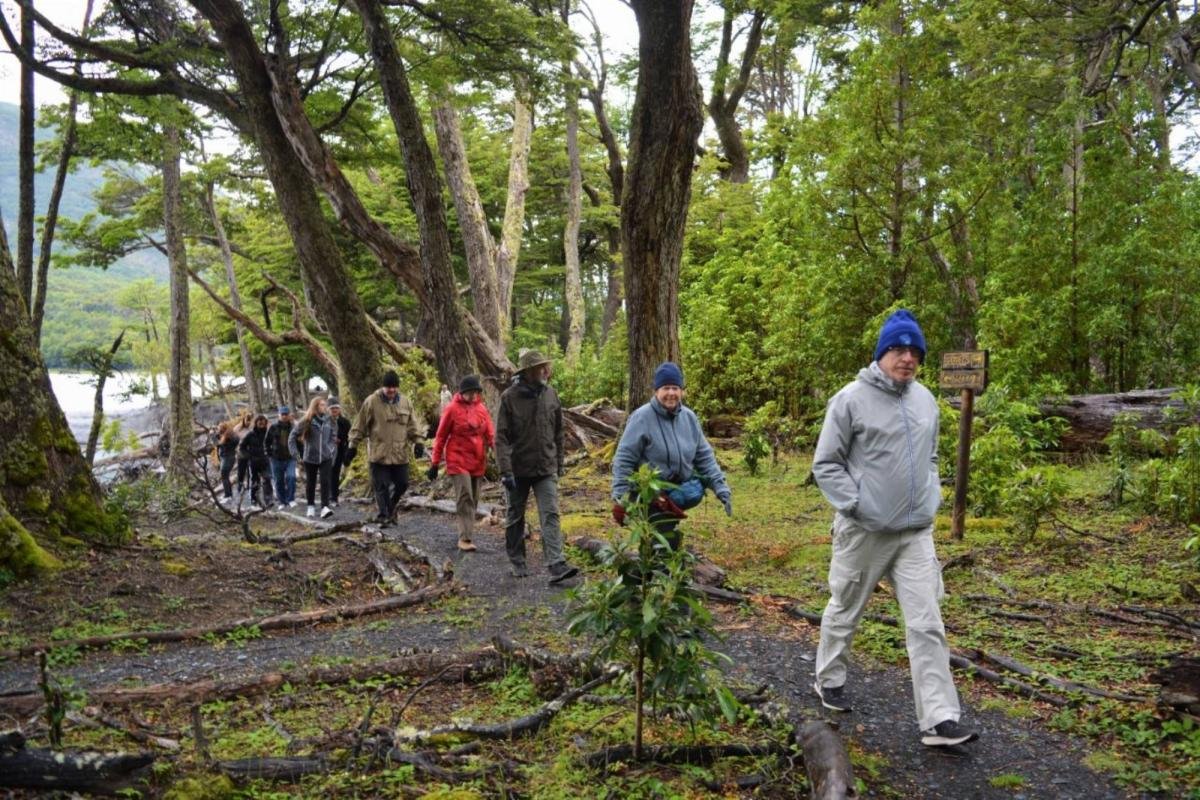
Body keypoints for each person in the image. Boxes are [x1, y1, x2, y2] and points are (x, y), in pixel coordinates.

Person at [810, 309, 977, 748]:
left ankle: (939, 720)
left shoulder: (925, 400)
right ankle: (829, 679)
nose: (907, 358)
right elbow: (826, 463)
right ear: (882, 353)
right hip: (864, 531)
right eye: (899, 349)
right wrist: (856, 503)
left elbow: (934, 457)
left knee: (927, 622)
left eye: (915, 352)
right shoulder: (849, 399)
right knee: (846, 606)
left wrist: (932, 494)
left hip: (915, 532)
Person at [610, 361, 732, 550]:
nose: (671, 393)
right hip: (649, 493)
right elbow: (624, 458)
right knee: (663, 538)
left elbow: (704, 456)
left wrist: (721, 489)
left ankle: (658, 567)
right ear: (656, 390)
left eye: (675, 388)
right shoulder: (642, 417)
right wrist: (620, 496)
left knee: (668, 531)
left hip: (678, 491)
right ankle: (655, 571)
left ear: (681, 390)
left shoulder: (689, 418)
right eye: (666, 388)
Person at [495, 350, 578, 583]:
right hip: (517, 470)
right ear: (528, 372)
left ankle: (556, 563)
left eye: (546, 367)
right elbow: (500, 437)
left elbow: (558, 432)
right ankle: (517, 560)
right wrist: (505, 471)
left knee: (550, 513)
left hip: (546, 467)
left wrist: (559, 464)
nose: (545, 371)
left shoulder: (551, 394)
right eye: (540, 367)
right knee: (515, 516)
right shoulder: (509, 398)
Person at [347, 370, 426, 526]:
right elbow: (360, 425)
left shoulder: (405, 402)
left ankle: (390, 509)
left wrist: (419, 442)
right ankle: (384, 516)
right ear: (383, 387)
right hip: (379, 453)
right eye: (388, 387)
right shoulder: (371, 402)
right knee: (381, 486)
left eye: (394, 387)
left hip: (400, 454)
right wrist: (352, 446)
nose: (391, 390)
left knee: (402, 484)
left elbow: (413, 425)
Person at [428, 375, 495, 552]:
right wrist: (435, 463)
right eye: (470, 392)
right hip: (457, 459)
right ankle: (465, 538)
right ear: (462, 392)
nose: (473, 395)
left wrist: (499, 452)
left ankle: (467, 533)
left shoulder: (482, 409)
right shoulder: (451, 409)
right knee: (465, 495)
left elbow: (490, 433)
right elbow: (441, 436)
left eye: (476, 392)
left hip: (478, 460)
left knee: (473, 498)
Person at [290, 396, 337, 519]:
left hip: (326, 457)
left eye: (325, 405)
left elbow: (333, 437)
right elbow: (292, 437)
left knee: (325, 481)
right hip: (310, 457)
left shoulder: (329, 420)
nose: (325, 407)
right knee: (311, 482)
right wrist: (295, 454)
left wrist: (331, 449)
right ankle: (310, 506)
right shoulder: (306, 421)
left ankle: (324, 507)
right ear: (315, 406)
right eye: (322, 405)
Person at [237, 413, 273, 511]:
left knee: (267, 478)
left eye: (263, 421)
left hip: (265, 461)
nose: (261, 423)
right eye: (259, 421)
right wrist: (249, 456)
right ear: (256, 422)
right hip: (253, 462)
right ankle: (254, 499)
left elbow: (274, 444)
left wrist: (271, 453)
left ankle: (269, 499)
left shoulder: (268, 433)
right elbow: (241, 447)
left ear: (265, 423)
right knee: (254, 480)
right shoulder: (250, 434)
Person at [267, 406, 298, 510]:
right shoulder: (273, 427)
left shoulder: (293, 427)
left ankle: (291, 499)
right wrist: (270, 454)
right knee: (278, 480)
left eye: (286, 414)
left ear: (289, 415)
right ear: (279, 415)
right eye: (282, 414)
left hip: (290, 458)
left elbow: (298, 441)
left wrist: (299, 454)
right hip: (276, 459)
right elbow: (266, 442)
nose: (284, 416)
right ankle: (282, 501)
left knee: (291, 477)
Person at [328, 396, 352, 508]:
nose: (334, 410)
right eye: (332, 408)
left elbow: (350, 437)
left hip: (340, 451)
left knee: (335, 474)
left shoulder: (345, 422)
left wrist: (347, 452)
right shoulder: (324, 421)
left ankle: (334, 497)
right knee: (329, 474)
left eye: (336, 408)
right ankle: (329, 496)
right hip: (327, 452)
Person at [231, 408, 254, 501]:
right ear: (244, 420)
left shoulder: (252, 428)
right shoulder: (237, 428)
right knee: (241, 472)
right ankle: (239, 487)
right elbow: (233, 439)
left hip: (251, 453)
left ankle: (250, 489)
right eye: (247, 420)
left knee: (251, 472)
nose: (248, 422)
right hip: (241, 454)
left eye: (250, 420)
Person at [214, 421, 239, 504]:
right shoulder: (230, 436)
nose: (217, 429)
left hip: (227, 459)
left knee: (224, 477)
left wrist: (211, 435)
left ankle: (228, 496)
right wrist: (216, 434)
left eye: (219, 428)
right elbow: (219, 438)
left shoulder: (226, 438)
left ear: (222, 429)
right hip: (229, 458)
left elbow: (216, 443)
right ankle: (228, 494)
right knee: (226, 477)